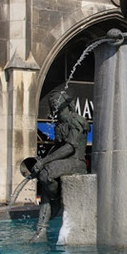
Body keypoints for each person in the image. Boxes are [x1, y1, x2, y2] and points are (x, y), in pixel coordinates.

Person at [30, 86, 88, 241]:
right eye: (51, 102)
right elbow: (57, 148)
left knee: (47, 173)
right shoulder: (59, 125)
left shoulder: (77, 120)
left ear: (66, 103)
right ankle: (41, 231)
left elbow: (70, 148)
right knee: (44, 176)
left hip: (77, 162)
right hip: (64, 162)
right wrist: (39, 163)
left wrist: (45, 161)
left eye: (56, 101)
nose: (53, 103)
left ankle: (55, 201)